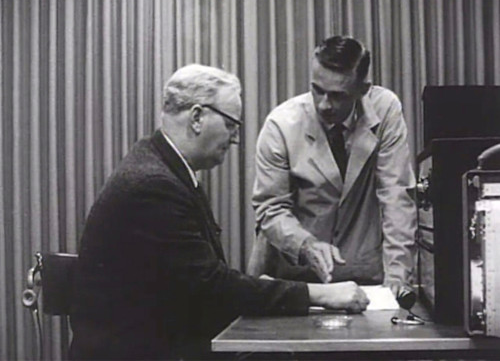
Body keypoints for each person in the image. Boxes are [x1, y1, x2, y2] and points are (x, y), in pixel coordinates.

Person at [69, 64, 369, 361]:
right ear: (197, 117)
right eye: (230, 124)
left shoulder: (159, 165)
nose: (235, 138)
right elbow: (211, 288)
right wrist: (321, 294)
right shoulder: (155, 185)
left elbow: (201, 282)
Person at [247, 36, 417, 297]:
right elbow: (270, 208)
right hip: (299, 276)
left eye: (338, 96)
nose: (325, 104)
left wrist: (397, 277)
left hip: (364, 275)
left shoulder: (385, 110)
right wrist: (306, 245)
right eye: (317, 90)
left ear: (364, 88)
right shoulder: (281, 124)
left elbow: (396, 197)